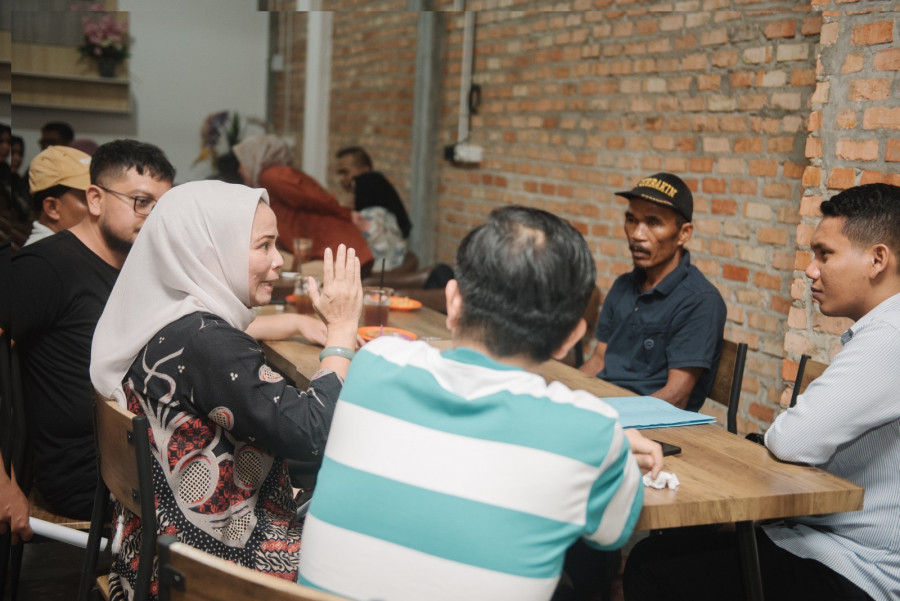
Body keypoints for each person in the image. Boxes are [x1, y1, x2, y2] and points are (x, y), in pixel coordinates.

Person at [298, 205, 663, 601]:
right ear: (570, 338)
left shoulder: (375, 362)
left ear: (453, 303)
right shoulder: (591, 429)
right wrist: (613, 449)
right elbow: (609, 533)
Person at [624, 183, 900, 601]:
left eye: (824, 254)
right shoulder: (880, 332)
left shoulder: (889, 338)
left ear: (877, 259)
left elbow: (790, 439)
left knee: (652, 567)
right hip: (819, 534)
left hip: (855, 566)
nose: (811, 269)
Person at [89, 180, 363, 598]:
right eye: (264, 246)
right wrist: (341, 332)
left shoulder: (162, 320)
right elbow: (311, 433)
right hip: (215, 569)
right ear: (210, 250)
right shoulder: (208, 343)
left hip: (149, 559)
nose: (279, 261)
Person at [10, 139, 175, 520]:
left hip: (139, 457)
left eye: (161, 206)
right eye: (141, 201)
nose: (153, 216)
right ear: (96, 199)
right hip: (94, 475)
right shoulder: (45, 268)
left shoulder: (133, 266)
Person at [579, 172, 726, 411]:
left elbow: (676, 396)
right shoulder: (623, 286)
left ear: (683, 233)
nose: (637, 234)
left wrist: (605, 418)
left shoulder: (700, 301)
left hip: (656, 427)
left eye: (653, 222)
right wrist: (560, 397)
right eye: (631, 220)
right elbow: (598, 361)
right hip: (606, 409)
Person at [230, 134, 374, 274]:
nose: (239, 170)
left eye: (242, 162)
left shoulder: (272, 176)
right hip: (329, 249)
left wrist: (347, 214)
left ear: (254, 157)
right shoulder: (272, 177)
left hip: (334, 246)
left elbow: (315, 198)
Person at [336, 146, 412, 271]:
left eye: (345, 172)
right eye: (339, 173)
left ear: (365, 170)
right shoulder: (382, 198)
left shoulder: (373, 212)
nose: (342, 178)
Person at [23, 145, 92, 246]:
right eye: (86, 199)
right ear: (52, 207)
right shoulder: (41, 258)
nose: (99, 206)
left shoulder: (70, 247)